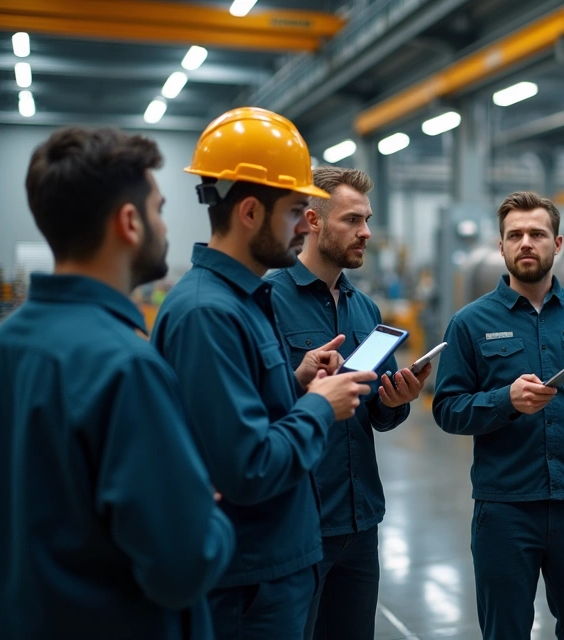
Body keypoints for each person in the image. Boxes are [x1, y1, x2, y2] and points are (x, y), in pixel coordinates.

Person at [0, 126, 234, 638]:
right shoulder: (125, 365)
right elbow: (183, 567)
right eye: (159, 209)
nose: (165, 227)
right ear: (129, 222)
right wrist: (207, 514)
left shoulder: (5, 346)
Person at [150, 107, 377, 639]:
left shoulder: (245, 301)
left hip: (273, 566)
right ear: (250, 211)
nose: (305, 223)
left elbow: (245, 413)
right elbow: (246, 467)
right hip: (246, 582)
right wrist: (321, 405)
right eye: (297, 208)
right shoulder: (209, 313)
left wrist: (295, 383)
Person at [432, 191, 564, 639]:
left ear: (557, 244)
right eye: (514, 235)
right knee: (506, 632)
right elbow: (446, 408)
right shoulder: (469, 323)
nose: (526, 243)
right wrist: (506, 401)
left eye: (537, 234)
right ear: (500, 247)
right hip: (505, 509)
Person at [266, 166, 429, 640]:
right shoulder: (267, 301)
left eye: (367, 219)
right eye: (353, 221)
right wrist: (299, 383)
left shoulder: (365, 309)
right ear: (313, 221)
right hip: (300, 523)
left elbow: (374, 414)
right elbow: (258, 410)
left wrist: (396, 400)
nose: (366, 233)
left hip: (361, 522)